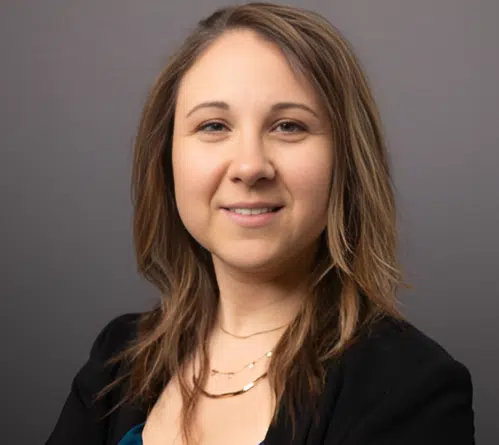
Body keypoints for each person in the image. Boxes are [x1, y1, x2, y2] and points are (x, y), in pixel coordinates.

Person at [45, 3, 475, 445]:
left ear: (346, 161)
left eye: (289, 126)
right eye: (213, 125)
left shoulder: (411, 387)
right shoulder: (117, 360)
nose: (250, 166)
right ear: (166, 158)